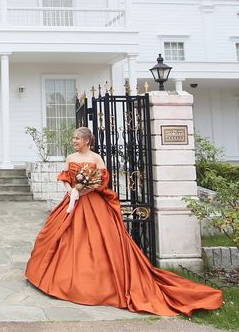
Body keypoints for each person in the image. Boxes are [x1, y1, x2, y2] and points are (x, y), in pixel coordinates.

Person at [25, 126, 223, 316]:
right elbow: (66, 179)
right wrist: (72, 191)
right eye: (73, 138)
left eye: (77, 138)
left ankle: (99, 283)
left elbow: (101, 182)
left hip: (93, 203)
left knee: (98, 240)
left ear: (86, 140)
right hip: (73, 202)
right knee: (61, 237)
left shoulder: (96, 158)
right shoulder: (71, 158)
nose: (73, 141)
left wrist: (85, 190)